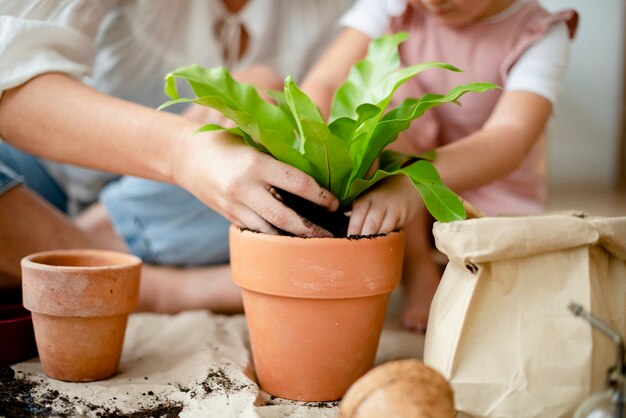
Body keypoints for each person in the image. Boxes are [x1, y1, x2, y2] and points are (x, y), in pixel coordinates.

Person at [0, 0, 351, 312]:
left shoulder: (342, 11)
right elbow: (10, 77)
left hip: (185, 215)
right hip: (38, 184)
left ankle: (46, 251)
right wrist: (182, 152)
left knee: (318, 186)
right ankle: (160, 289)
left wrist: (267, 99)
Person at [300, 0, 578, 331]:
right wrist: (314, 148)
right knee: (387, 109)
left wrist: (417, 182)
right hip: (399, 190)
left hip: (486, 198)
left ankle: (434, 264)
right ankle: (417, 265)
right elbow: (326, 80)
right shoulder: (393, 7)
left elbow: (511, 137)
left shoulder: (539, 33)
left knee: (500, 303)